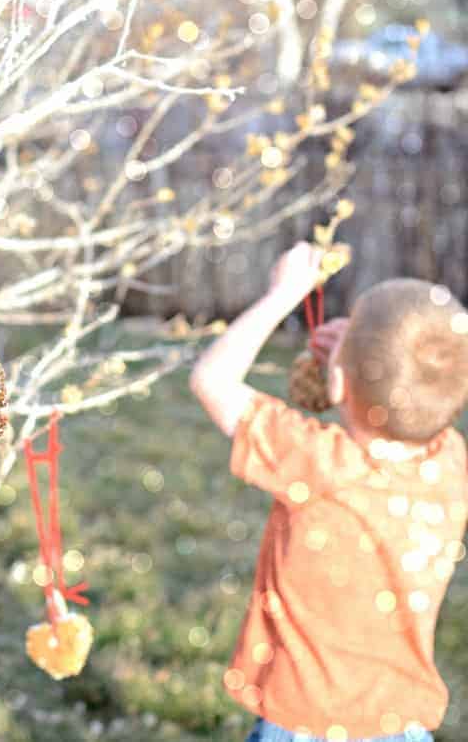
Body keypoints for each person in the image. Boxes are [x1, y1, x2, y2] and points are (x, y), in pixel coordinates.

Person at [189, 241, 468, 742]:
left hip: (305, 724)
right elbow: (424, 385)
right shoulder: (451, 462)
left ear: (338, 382)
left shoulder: (319, 466)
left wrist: (284, 293)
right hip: (399, 723)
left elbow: (213, 380)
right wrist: (361, 357)